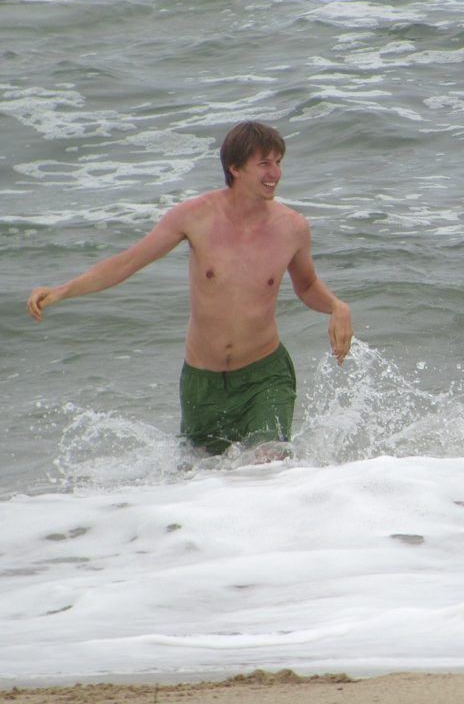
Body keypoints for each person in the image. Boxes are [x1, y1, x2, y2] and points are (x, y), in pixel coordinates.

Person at [26, 121, 352, 455]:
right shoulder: (194, 217)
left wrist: (337, 306)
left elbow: (307, 284)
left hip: (264, 375)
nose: (275, 173)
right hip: (202, 382)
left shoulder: (292, 227)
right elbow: (128, 262)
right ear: (235, 168)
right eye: (264, 164)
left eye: (279, 162)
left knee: (269, 464)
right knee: (200, 479)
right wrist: (62, 291)